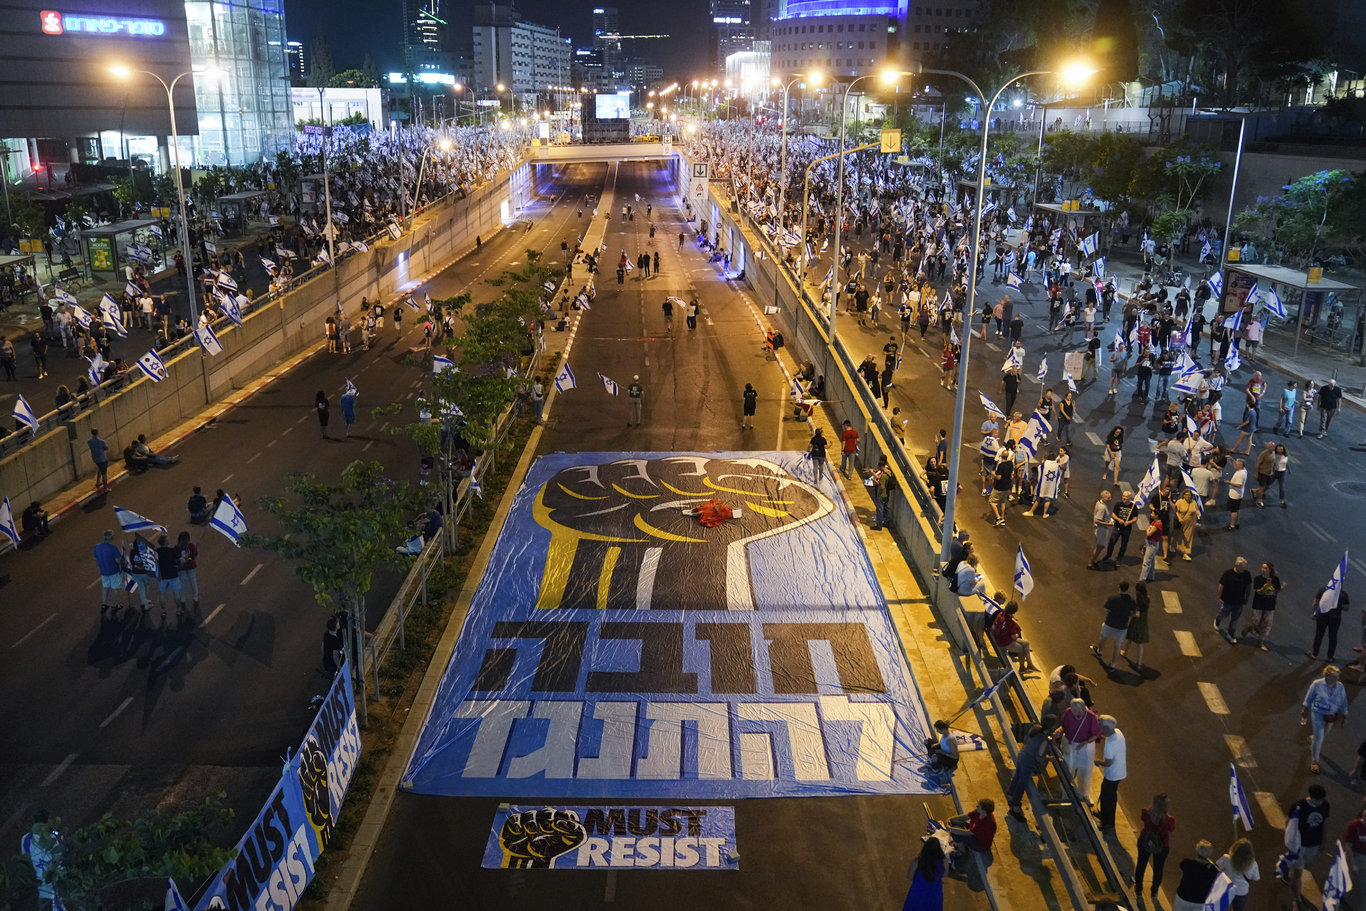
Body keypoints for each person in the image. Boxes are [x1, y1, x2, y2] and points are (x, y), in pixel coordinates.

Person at [1287, 784, 1331, 907]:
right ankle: (1297, 899)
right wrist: (1291, 842)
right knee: (1298, 873)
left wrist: (1323, 841)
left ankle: (1287, 866)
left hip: (1314, 844)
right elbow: (1289, 824)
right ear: (1312, 797)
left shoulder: (1325, 805)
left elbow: (1324, 823)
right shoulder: (1299, 806)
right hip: (1299, 845)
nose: (1321, 802)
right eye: (1319, 800)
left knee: (1305, 865)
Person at [1302, 665, 1349, 774]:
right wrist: (1304, 712)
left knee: (1324, 734)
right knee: (1319, 738)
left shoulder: (1340, 686)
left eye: (1338, 677)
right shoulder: (1317, 684)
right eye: (1334, 677)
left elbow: (1343, 701)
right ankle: (1315, 761)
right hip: (1318, 714)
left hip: (1331, 716)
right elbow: (1308, 699)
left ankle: (1313, 738)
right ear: (1326, 675)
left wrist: (1345, 715)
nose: (1336, 679)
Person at [1134, 793, 1176, 896]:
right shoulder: (1169, 820)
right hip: (1162, 845)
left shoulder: (1146, 812)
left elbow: (1143, 819)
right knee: (1158, 869)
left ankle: (1139, 888)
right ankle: (1154, 891)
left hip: (1145, 840)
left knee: (1141, 865)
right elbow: (1171, 829)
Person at [1061, 697, 1102, 800]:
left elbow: (1096, 734)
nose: (1073, 712)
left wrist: (1085, 742)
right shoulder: (1069, 712)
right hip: (1071, 744)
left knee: (1085, 771)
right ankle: (1065, 793)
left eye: (1075, 710)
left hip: (1085, 746)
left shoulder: (1091, 717)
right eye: (1072, 709)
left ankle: (1084, 794)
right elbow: (1063, 725)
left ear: (1082, 709)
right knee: (1067, 768)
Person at [1093, 580, 1136, 671]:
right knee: (1117, 646)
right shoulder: (1131, 601)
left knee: (1103, 638)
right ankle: (1113, 665)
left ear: (1119, 587)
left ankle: (1100, 651)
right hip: (1122, 626)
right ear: (1127, 589)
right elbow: (1133, 613)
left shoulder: (1112, 598)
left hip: (1110, 623)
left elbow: (1106, 610)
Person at [1241, 562, 1284, 651]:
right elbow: (1258, 592)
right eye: (1262, 568)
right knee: (1255, 621)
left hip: (1270, 606)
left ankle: (1260, 642)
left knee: (1267, 624)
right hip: (1258, 604)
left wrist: (1282, 587)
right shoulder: (1258, 579)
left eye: (1265, 568)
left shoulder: (1275, 579)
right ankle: (1248, 629)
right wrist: (1265, 587)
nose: (1263, 569)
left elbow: (1276, 591)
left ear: (1270, 570)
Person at [1093, 715, 1126, 830]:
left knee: (1108, 798)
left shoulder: (1110, 743)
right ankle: (1104, 815)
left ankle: (1108, 822)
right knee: (1107, 794)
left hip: (1113, 774)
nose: (1099, 729)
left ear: (1106, 728)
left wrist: (1098, 762)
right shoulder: (1118, 732)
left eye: (1100, 727)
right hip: (1119, 771)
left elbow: (1108, 763)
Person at [990, 600, 1039, 673]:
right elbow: (1014, 637)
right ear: (1014, 611)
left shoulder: (1001, 614)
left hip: (1000, 637)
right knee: (1021, 649)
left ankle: (1030, 664)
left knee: (1026, 643)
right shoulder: (1010, 622)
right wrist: (1016, 634)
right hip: (1003, 643)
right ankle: (1022, 668)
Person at [1171, 840, 1221, 911]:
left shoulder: (1187, 863)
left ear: (1197, 851)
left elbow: (1182, 865)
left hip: (1183, 897)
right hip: (1200, 902)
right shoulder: (1213, 871)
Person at [1214, 556, 1253, 643]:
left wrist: (1247, 598)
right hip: (1226, 600)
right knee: (1222, 613)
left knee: (1235, 619)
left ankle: (1230, 634)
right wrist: (1219, 597)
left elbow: (1248, 587)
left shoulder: (1247, 574)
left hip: (1239, 602)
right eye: (1243, 567)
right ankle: (1217, 621)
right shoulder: (1228, 574)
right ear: (1237, 566)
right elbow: (1221, 585)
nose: (1244, 569)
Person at [901, 836, 945, 911]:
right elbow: (944, 874)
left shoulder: (917, 862)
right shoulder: (944, 862)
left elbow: (910, 876)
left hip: (918, 892)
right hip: (934, 893)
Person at [1309, 585, 1351, 662]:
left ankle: (1314, 654)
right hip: (1335, 618)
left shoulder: (1323, 590)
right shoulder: (1344, 594)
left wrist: (1314, 612)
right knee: (1333, 637)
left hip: (1322, 616)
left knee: (1319, 634)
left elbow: (1315, 602)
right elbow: (1346, 608)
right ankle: (1330, 657)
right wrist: (1339, 606)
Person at [1216, 838, 1259, 911]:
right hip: (1241, 892)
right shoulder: (1253, 865)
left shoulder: (1226, 859)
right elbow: (1256, 878)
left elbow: (1216, 868)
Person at [1121, 580, 1152, 670]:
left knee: (1129, 639)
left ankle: (1125, 653)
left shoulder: (1136, 601)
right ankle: (1139, 664)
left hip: (1135, 623)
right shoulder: (1148, 599)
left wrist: (1130, 613)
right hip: (1143, 623)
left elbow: (1136, 614)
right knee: (1140, 645)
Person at [93, 529, 124, 617]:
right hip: (113, 571)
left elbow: (96, 559)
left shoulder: (97, 547)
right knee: (114, 589)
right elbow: (118, 560)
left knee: (105, 588)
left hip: (104, 572)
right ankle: (114, 605)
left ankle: (104, 604)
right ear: (111, 538)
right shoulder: (113, 548)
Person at [154, 533, 184, 620]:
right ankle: (178, 610)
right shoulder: (172, 551)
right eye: (168, 539)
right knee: (177, 594)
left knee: (162, 594)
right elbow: (179, 561)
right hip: (173, 574)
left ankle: (163, 610)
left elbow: (155, 563)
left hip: (162, 576)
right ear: (166, 542)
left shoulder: (157, 552)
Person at [1088, 489, 1114, 569]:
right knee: (1100, 546)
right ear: (1103, 498)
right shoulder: (1102, 508)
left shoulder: (1098, 502)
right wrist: (1108, 524)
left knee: (1100, 546)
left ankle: (1093, 561)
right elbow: (1097, 520)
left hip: (1100, 528)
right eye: (1108, 498)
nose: (1110, 499)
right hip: (1101, 529)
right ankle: (1091, 563)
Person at [866, 457, 892, 530]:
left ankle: (879, 525)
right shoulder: (889, 472)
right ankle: (886, 523)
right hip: (887, 494)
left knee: (880, 510)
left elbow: (882, 486)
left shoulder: (883, 476)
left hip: (881, 494)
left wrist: (876, 481)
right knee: (886, 508)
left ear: (882, 466)